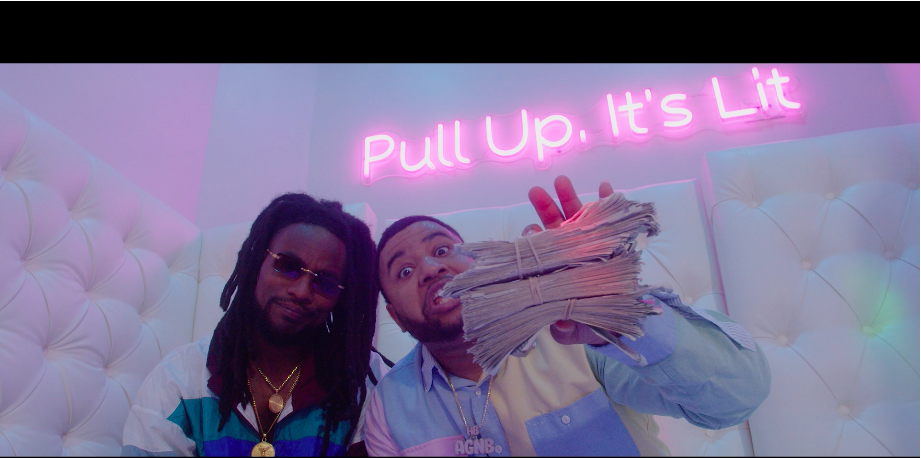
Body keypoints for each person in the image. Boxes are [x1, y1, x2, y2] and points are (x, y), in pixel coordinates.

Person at [362, 176, 772, 456]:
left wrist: (619, 309)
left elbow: (736, 400)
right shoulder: (389, 408)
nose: (431, 269)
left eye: (441, 250)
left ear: (479, 262)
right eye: (404, 271)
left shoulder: (573, 334)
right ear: (395, 317)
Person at [122, 193, 380, 457]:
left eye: (325, 282)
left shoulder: (366, 384)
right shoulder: (179, 378)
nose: (302, 291)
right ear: (257, 264)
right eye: (288, 266)